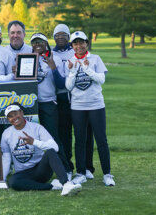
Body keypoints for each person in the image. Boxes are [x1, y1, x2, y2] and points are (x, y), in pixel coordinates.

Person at [65, 31, 115, 186]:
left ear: (86, 43)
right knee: (79, 140)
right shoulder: (71, 61)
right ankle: (81, 173)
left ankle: (107, 174)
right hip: (78, 106)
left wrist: (87, 69)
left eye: (81, 42)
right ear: (72, 46)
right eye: (75, 43)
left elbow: (101, 79)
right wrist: (73, 71)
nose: (78, 46)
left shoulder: (95, 59)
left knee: (101, 139)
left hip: (96, 104)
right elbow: (68, 86)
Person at [0, 103, 81, 196]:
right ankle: (52, 186)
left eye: (15, 114)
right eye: (10, 116)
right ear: (8, 120)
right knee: (13, 182)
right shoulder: (6, 133)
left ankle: (66, 184)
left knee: (50, 152)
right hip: (23, 173)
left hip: (41, 169)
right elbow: (6, 157)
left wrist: (34, 142)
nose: (14, 118)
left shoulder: (37, 127)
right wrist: (2, 178)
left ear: (21, 113)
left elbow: (55, 147)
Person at [52, 24, 95, 180]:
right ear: (54, 37)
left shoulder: (75, 51)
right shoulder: (50, 53)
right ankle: (68, 166)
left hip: (79, 98)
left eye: (64, 34)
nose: (61, 37)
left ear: (69, 37)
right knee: (64, 135)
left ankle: (87, 167)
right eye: (57, 34)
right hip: (61, 99)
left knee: (84, 134)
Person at [29, 33, 71, 175]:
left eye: (40, 41)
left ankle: (66, 169)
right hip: (31, 104)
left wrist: (53, 67)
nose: (37, 44)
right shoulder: (27, 58)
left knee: (53, 136)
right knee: (32, 137)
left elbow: (61, 85)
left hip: (48, 103)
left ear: (46, 42)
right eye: (34, 42)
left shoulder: (55, 58)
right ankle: (34, 168)